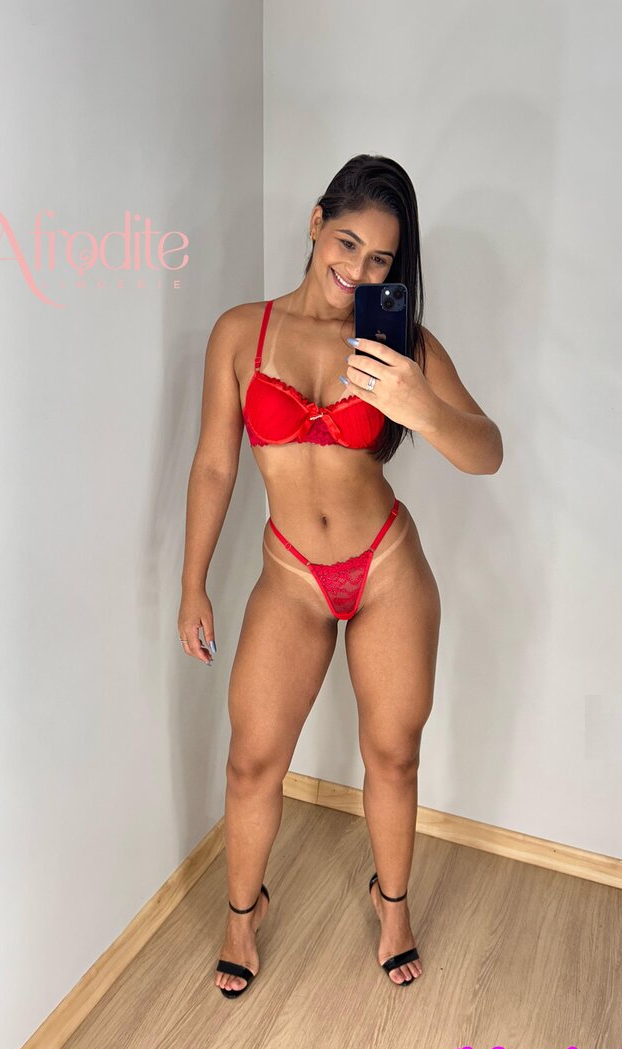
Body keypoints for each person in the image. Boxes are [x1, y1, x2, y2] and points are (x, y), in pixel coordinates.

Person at [178, 153, 503, 998]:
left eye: (380, 260)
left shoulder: (399, 344)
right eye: (347, 243)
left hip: (386, 568)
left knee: (392, 757)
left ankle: (391, 905)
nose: (357, 270)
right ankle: (241, 916)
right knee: (252, 763)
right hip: (291, 577)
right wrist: (192, 583)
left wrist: (419, 406)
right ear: (316, 221)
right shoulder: (239, 332)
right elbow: (214, 466)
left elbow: (486, 452)